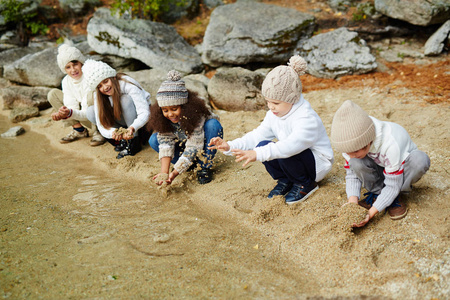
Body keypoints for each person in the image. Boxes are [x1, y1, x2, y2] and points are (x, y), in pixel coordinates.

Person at [209, 55, 334, 204]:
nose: (270, 106)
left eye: (275, 102)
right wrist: (230, 146)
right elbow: (257, 136)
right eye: (268, 101)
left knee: (278, 149)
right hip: (293, 155)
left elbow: (291, 146)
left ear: (292, 99)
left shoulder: (306, 118)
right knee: (262, 144)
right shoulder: (275, 114)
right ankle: (286, 179)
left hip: (316, 163)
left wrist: (258, 154)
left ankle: (305, 184)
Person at [330, 100, 430, 227]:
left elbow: (393, 185)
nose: (351, 155)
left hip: (401, 168)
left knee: (420, 161)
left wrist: (370, 213)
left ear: (368, 141)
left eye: (355, 151)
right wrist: (352, 201)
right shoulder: (349, 145)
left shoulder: (390, 144)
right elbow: (352, 174)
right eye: (347, 152)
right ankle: (378, 192)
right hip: (380, 166)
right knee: (356, 162)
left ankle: (395, 197)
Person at [148, 70, 223, 185]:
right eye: (165, 110)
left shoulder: (196, 115)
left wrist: (173, 174)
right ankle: (186, 166)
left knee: (213, 125)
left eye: (174, 109)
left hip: (200, 146)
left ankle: (204, 167)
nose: (170, 114)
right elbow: (165, 144)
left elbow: (194, 147)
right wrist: (165, 173)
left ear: (185, 107)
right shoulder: (165, 120)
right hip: (183, 147)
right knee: (154, 139)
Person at [81, 59, 151, 159]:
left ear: (112, 77)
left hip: (142, 125)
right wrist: (113, 132)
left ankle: (133, 142)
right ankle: (122, 140)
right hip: (122, 122)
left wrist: (132, 128)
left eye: (106, 81)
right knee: (91, 112)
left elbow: (145, 112)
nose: (105, 87)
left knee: (124, 100)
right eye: (100, 86)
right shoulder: (98, 95)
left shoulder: (126, 83)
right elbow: (101, 126)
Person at [47, 44, 106, 146]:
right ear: (64, 69)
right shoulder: (66, 81)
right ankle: (79, 130)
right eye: (68, 67)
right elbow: (70, 103)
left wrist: (70, 113)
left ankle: (99, 130)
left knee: (91, 96)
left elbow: (87, 107)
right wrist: (65, 112)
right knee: (53, 94)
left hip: (94, 114)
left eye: (75, 64)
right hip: (79, 113)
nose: (73, 70)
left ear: (81, 63)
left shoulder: (89, 75)